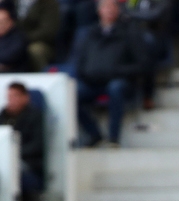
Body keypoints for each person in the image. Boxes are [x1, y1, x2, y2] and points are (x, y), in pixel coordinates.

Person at [74, 0, 146, 147]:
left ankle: (114, 138)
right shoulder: (90, 33)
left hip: (120, 80)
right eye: (105, 7)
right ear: (99, 11)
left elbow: (142, 63)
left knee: (116, 88)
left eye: (113, 7)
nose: (109, 10)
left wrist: (118, 71)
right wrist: (87, 73)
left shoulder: (129, 31)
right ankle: (94, 134)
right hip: (93, 81)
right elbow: (81, 60)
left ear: (118, 10)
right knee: (72, 94)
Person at [0, 81, 44, 195]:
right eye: (9, 97)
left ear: (25, 97)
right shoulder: (3, 115)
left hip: (27, 161)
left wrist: (14, 153)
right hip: (4, 158)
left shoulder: (35, 116)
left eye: (15, 96)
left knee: (11, 170)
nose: (11, 100)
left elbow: (37, 145)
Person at [18, 0, 60, 71]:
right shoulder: (14, 2)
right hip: (14, 39)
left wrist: (23, 39)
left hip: (41, 42)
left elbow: (48, 31)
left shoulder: (49, 4)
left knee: (35, 50)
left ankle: (43, 77)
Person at [0, 7, 28, 71]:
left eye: (2, 22)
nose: (0, 25)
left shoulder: (19, 37)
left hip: (14, 75)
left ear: (11, 22)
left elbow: (9, 56)